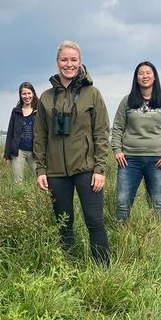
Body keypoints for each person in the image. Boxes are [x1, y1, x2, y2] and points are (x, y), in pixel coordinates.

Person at [35, 40, 110, 266]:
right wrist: (40, 169)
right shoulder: (46, 98)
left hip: (87, 169)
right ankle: (69, 268)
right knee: (63, 223)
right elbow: (40, 136)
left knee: (94, 221)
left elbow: (101, 133)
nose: (69, 64)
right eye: (64, 60)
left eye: (73, 60)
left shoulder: (92, 94)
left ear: (80, 62)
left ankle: (103, 269)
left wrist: (100, 169)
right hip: (56, 172)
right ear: (57, 63)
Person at [110, 61, 161, 221]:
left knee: (156, 202)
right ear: (136, 77)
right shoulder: (127, 100)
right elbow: (117, 127)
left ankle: (158, 238)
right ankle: (121, 235)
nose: (145, 76)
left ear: (154, 77)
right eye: (141, 73)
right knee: (122, 202)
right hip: (129, 160)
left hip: (158, 161)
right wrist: (117, 150)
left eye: (148, 72)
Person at [4, 82, 38, 183]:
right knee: (17, 181)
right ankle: (19, 199)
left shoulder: (40, 109)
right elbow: (10, 132)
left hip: (35, 151)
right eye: (24, 94)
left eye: (29, 93)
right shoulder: (16, 111)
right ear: (20, 95)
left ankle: (42, 198)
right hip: (18, 151)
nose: (27, 96)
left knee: (40, 179)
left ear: (33, 94)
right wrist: (7, 154)